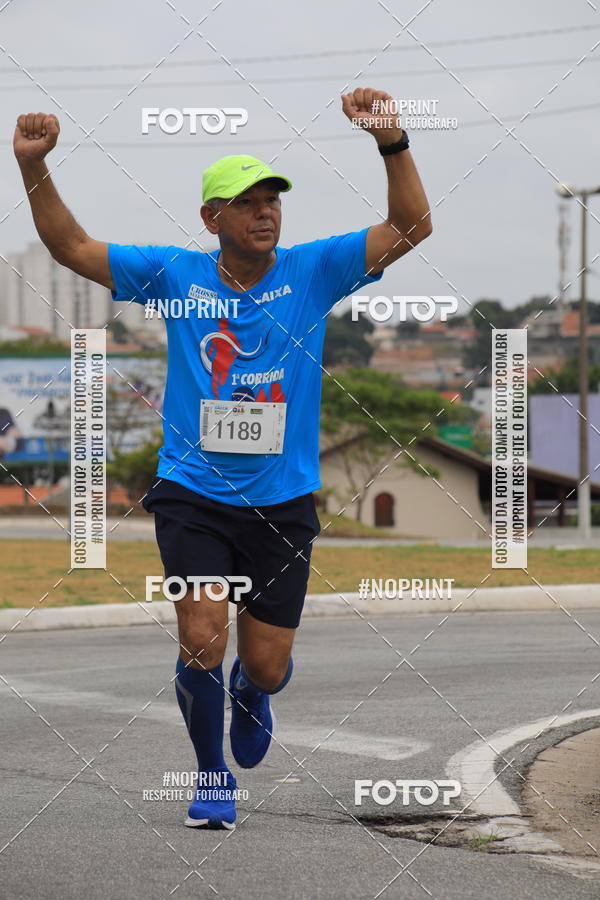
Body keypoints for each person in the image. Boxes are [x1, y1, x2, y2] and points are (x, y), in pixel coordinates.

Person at [14, 88, 432, 830]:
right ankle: (211, 777)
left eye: (273, 200)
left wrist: (392, 143)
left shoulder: (314, 271)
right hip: (193, 493)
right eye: (246, 203)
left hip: (281, 502)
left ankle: (256, 689)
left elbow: (412, 226)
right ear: (214, 218)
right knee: (201, 631)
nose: (265, 212)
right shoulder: (176, 275)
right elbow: (71, 248)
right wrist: (34, 166)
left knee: (265, 663)